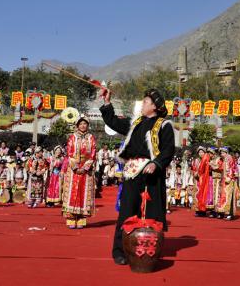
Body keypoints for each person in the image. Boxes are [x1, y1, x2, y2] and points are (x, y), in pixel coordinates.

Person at [100, 88, 175, 265]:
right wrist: (107, 103)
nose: (143, 104)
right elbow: (112, 122)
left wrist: (155, 163)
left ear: (155, 106)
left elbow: (168, 150)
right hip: (133, 173)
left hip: (151, 175)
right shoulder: (135, 123)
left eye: (146, 102)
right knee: (126, 211)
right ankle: (120, 250)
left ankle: (149, 251)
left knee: (150, 213)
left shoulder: (164, 125)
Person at [62, 116, 97, 228]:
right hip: (74, 170)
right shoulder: (72, 137)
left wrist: (85, 167)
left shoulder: (91, 138)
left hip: (86, 170)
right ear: (77, 125)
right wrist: (76, 167)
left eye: (85, 124)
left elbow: (93, 153)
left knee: (84, 192)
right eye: (81, 124)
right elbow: (70, 153)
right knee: (73, 192)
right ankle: (71, 218)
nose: (83, 125)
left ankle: (82, 218)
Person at [216, 147, 238, 220]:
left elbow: (233, 168)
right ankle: (222, 211)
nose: (221, 154)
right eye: (221, 153)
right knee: (223, 196)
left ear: (226, 152)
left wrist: (230, 177)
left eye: (222, 152)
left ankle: (229, 213)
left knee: (229, 197)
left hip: (229, 180)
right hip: (223, 181)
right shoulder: (223, 159)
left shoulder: (230, 158)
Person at [193, 146, 213, 217]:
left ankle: (203, 210)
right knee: (197, 194)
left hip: (205, 180)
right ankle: (198, 210)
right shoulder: (196, 160)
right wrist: (195, 173)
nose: (200, 153)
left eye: (202, 152)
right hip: (198, 180)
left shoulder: (207, 160)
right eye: (199, 152)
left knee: (204, 195)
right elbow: (194, 169)